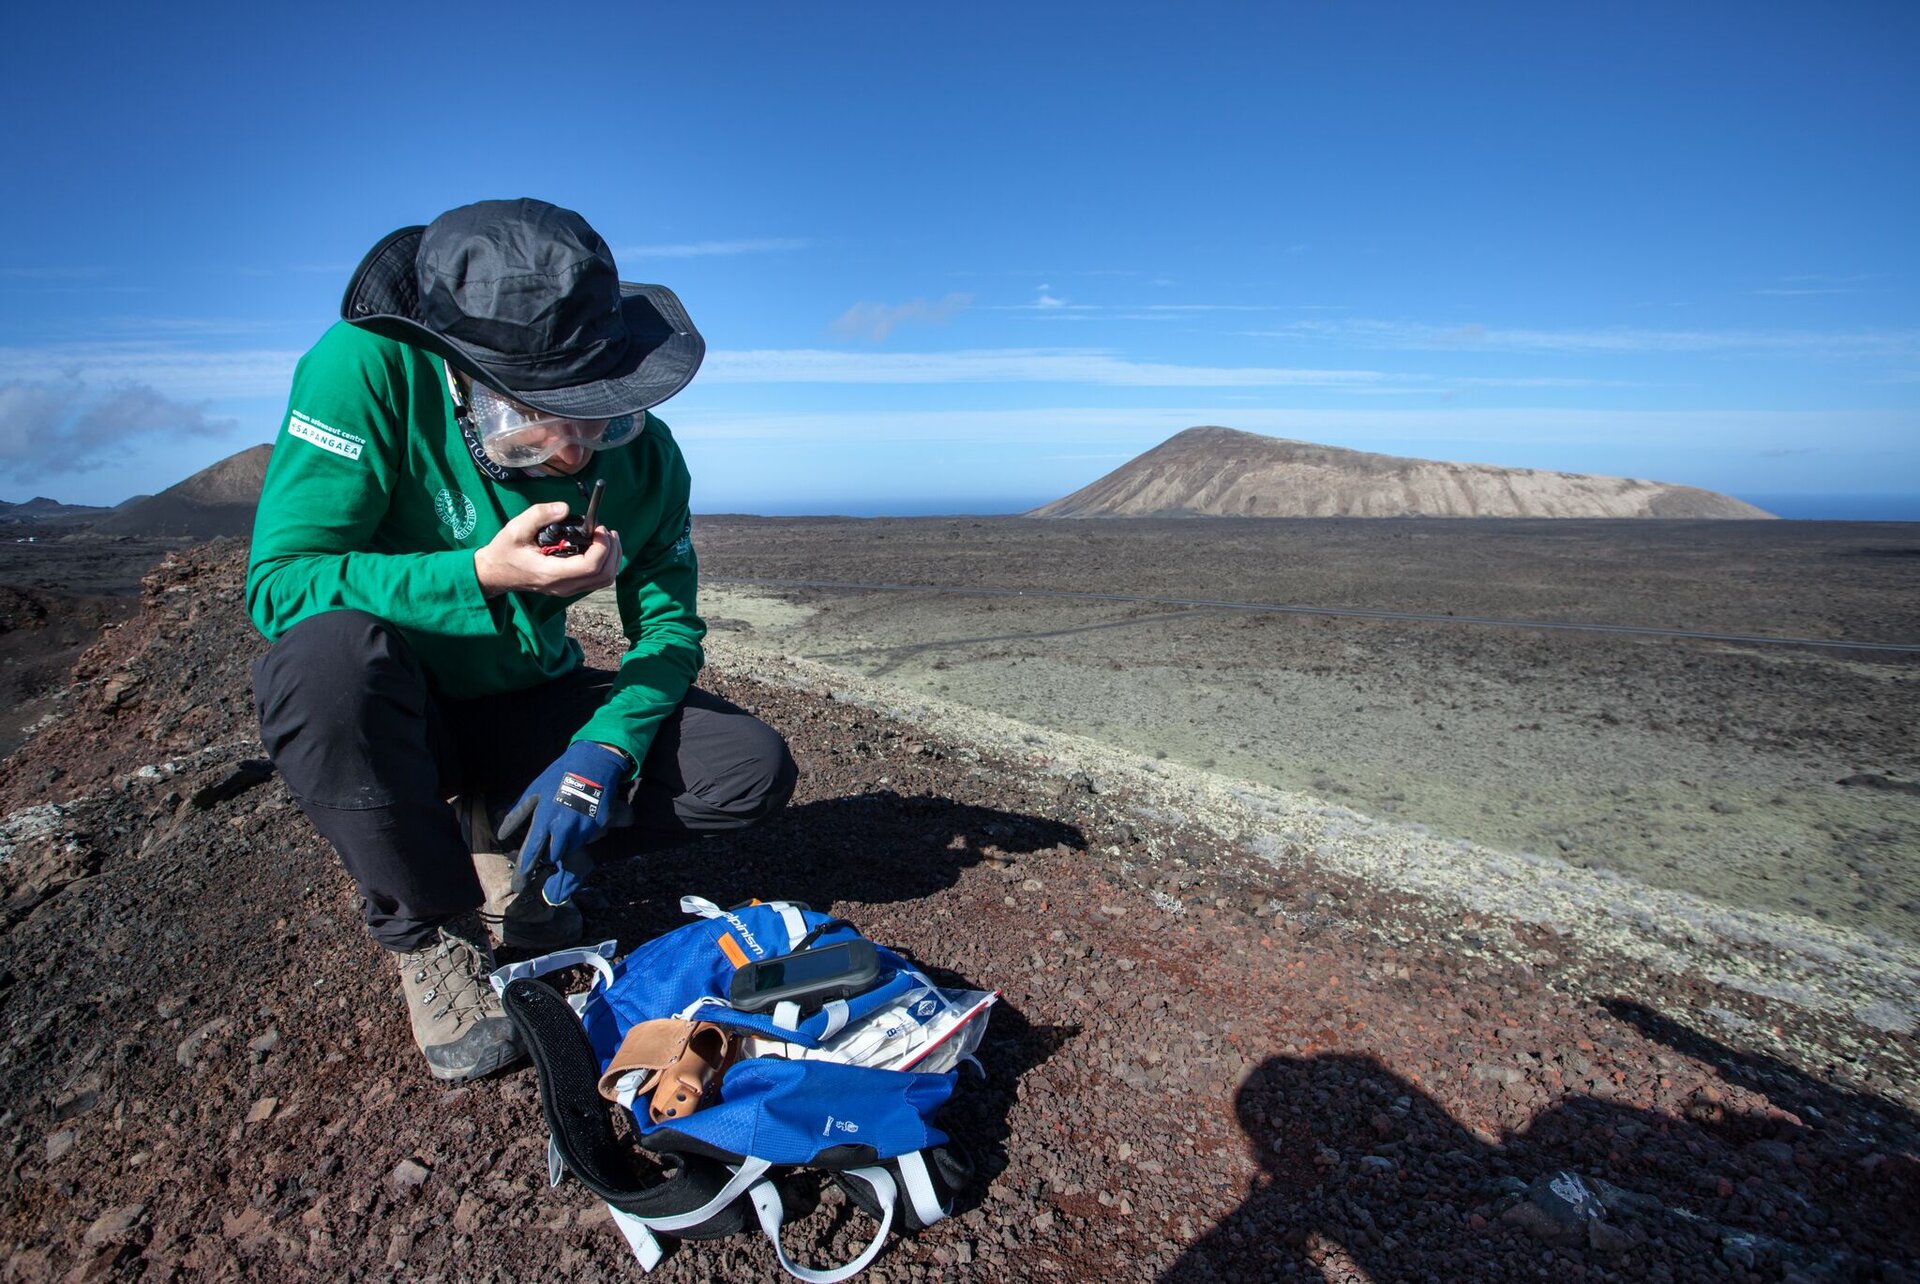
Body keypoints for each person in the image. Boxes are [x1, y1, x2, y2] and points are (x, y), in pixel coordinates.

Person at [246, 199, 798, 1082]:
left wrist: (601, 752)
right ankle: (429, 927)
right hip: (400, 711)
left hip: (520, 698)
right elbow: (279, 588)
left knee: (748, 768)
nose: (578, 452)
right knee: (323, 664)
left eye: (603, 411)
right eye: (543, 414)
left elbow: (668, 624)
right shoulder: (365, 369)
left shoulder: (647, 458)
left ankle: (507, 832)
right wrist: (479, 576)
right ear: (465, 374)